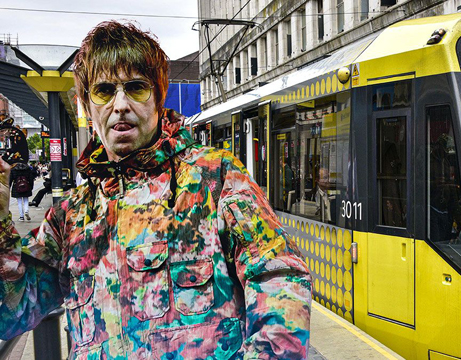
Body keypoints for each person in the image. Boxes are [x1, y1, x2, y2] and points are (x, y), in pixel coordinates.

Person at [0, 21, 311, 359]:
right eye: (104, 91)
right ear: (86, 107)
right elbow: (11, 313)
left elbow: (280, 280)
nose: (120, 104)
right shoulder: (71, 217)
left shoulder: (215, 179)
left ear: (159, 98)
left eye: (136, 88)